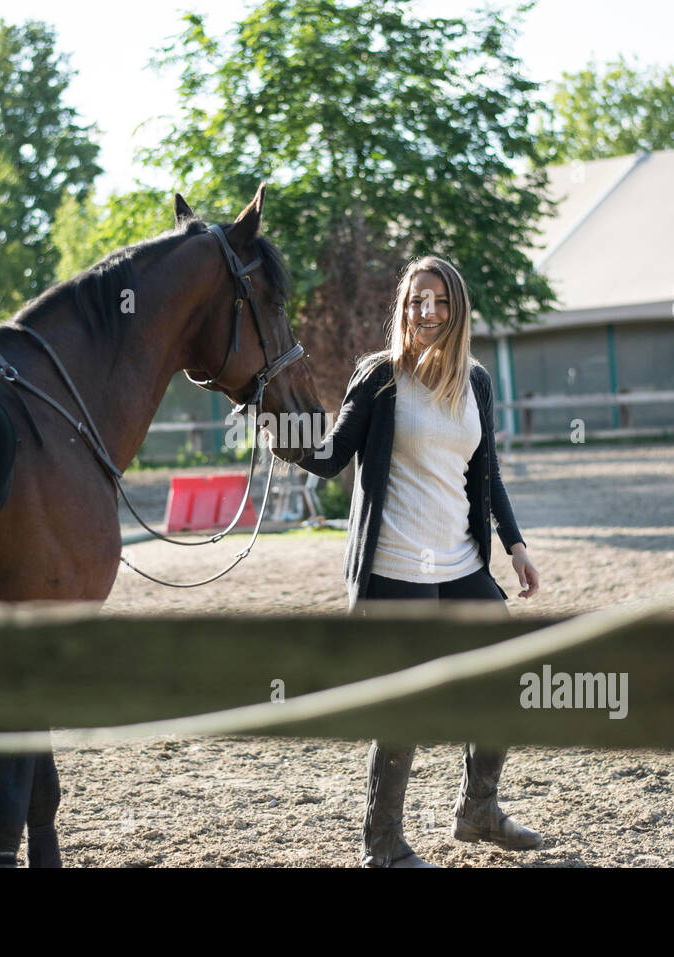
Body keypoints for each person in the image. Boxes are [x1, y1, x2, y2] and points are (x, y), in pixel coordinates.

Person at [294, 255, 543, 868]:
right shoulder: (379, 377)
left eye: (437, 301)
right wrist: (278, 425)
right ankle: (382, 847)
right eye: (414, 300)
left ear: (456, 309)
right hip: (395, 568)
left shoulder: (475, 381)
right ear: (402, 308)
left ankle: (477, 808)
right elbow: (329, 457)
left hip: (462, 565)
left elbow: (487, 477)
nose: (424, 311)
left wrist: (515, 546)